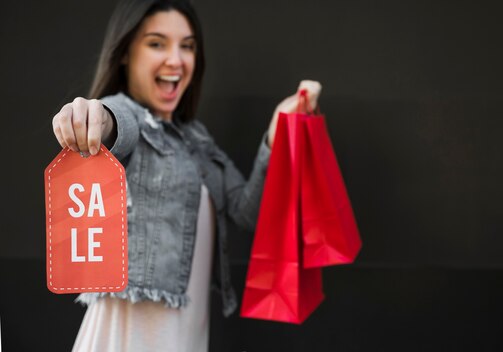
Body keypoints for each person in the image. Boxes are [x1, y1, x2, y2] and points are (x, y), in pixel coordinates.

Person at [51, 0, 321, 350]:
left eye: (187, 46)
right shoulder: (126, 114)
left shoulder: (197, 140)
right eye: (156, 43)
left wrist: (277, 131)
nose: (176, 60)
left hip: (187, 339)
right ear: (125, 54)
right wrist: (92, 116)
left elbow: (247, 210)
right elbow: (116, 123)